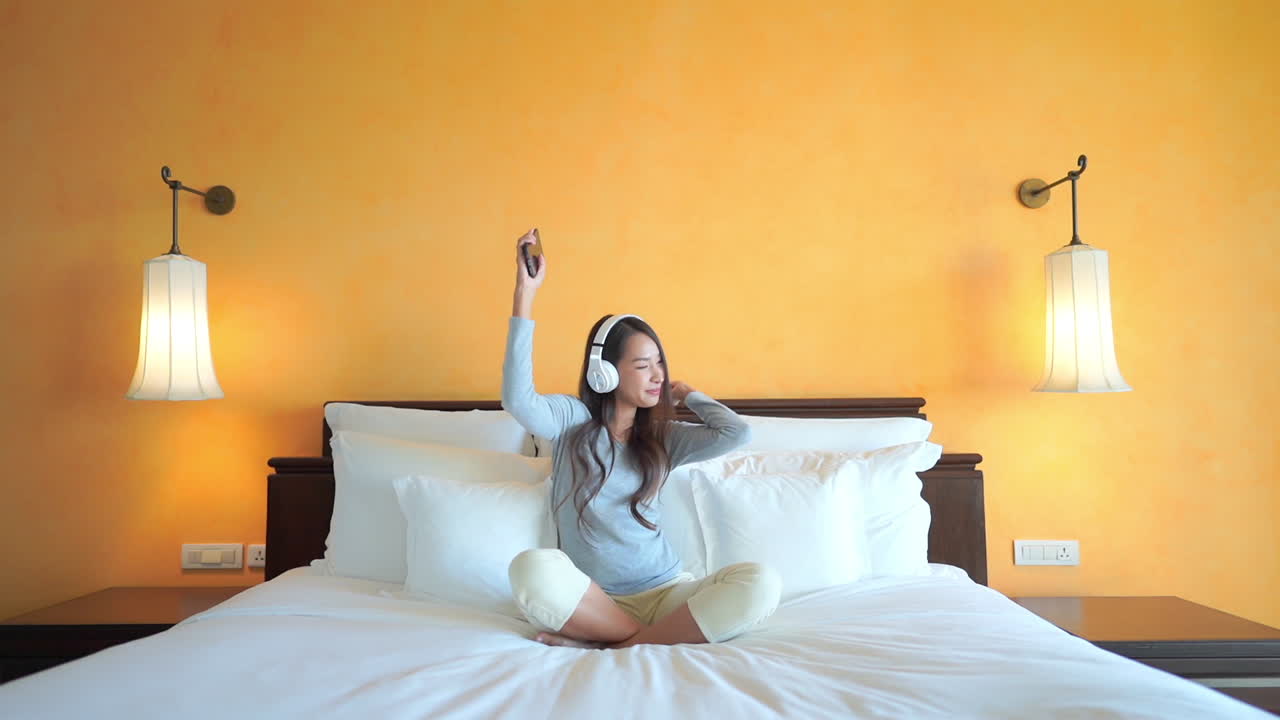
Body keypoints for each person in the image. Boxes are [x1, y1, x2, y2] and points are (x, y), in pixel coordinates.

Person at [502, 228, 782, 649]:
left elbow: (737, 433)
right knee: (530, 568)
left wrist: (688, 394)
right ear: (605, 372)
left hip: (668, 593)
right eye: (642, 365)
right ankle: (640, 638)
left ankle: (616, 644)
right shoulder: (572, 420)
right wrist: (525, 293)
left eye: (660, 365)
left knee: (761, 582)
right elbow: (519, 401)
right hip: (594, 600)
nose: (657, 376)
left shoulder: (664, 437)